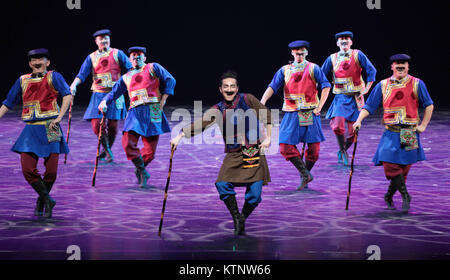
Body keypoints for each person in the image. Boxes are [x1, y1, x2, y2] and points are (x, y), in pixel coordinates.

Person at [171, 71, 272, 236]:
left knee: (254, 194)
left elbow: (266, 115)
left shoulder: (248, 99)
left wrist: (268, 138)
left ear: (237, 88)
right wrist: (180, 135)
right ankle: (236, 217)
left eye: (233, 86)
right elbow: (201, 124)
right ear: (220, 89)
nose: (230, 89)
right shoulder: (217, 109)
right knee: (222, 184)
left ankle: (242, 218)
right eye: (226, 86)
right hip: (233, 155)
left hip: (254, 153)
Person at [353, 54, 434, 213]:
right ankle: (405, 196)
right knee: (390, 165)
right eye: (397, 64)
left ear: (408, 66)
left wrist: (423, 125)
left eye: (404, 64)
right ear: (392, 66)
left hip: (408, 132)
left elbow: (429, 105)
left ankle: (389, 195)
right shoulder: (383, 85)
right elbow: (369, 106)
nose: (401, 66)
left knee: (403, 170)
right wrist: (359, 120)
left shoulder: (417, 84)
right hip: (391, 133)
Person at [0, 48, 73, 218]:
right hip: (31, 129)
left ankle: (42, 201)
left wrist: (60, 117)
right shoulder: (22, 80)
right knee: (27, 169)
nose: (37, 62)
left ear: (48, 62)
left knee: (51, 172)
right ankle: (47, 198)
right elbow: (8, 103)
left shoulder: (54, 76)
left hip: (51, 127)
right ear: (29, 63)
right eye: (33, 60)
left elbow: (67, 95)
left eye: (41, 59)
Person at [98, 46, 175, 187]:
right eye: (133, 56)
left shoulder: (153, 67)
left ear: (144, 57)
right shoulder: (126, 77)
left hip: (153, 110)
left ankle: (141, 169)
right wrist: (104, 101)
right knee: (127, 143)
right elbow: (114, 92)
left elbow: (171, 80)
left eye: (139, 55)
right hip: (135, 112)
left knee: (150, 153)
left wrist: (163, 100)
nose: (136, 58)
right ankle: (141, 170)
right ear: (129, 59)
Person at [260, 40, 331, 190]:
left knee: (314, 151)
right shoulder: (285, 70)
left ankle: (305, 175)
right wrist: (263, 101)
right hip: (292, 113)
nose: (299, 55)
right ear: (292, 53)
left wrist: (320, 106)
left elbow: (326, 86)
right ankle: (305, 174)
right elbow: (273, 86)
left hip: (310, 112)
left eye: (302, 53)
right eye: (296, 53)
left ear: (306, 53)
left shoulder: (313, 68)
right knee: (285, 147)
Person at [70, 29, 132, 162]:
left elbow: (131, 69)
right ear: (96, 41)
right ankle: (108, 151)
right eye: (101, 39)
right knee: (96, 124)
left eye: (106, 38)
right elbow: (82, 74)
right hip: (98, 93)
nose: (104, 41)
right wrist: (74, 85)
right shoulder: (91, 57)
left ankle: (106, 150)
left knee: (113, 127)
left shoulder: (117, 54)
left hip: (115, 94)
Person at [321, 31, 376, 165]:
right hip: (340, 97)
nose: (344, 41)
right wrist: (325, 86)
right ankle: (342, 149)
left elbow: (372, 70)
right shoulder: (332, 58)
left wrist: (367, 88)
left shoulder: (358, 54)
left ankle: (343, 149)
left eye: (347, 39)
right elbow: (321, 74)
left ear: (351, 42)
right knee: (337, 127)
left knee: (353, 133)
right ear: (337, 43)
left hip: (356, 97)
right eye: (341, 40)